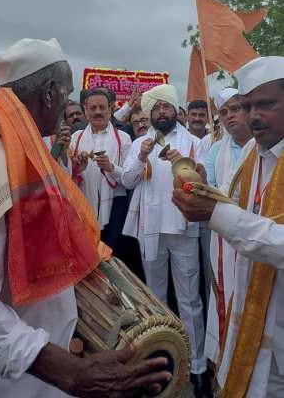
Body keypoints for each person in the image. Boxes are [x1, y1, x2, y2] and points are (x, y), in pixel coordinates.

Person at [0, 38, 171, 398]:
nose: (68, 106)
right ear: (49, 93)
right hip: (6, 380)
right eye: (66, 96)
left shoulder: (17, 141)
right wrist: (65, 370)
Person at [173, 56, 284, 397]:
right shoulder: (255, 154)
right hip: (253, 319)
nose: (252, 116)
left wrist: (215, 214)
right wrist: (205, 193)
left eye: (265, 104)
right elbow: (248, 214)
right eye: (247, 106)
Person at [122, 84, 211, 398]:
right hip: (151, 229)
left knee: (189, 303)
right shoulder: (138, 142)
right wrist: (141, 156)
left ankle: (198, 369)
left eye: (166, 107)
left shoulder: (195, 143)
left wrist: (182, 166)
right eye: (155, 108)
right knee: (155, 302)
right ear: (150, 113)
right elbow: (127, 180)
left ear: (176, 110)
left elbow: (204, 186)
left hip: (183, 229)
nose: (161, 112)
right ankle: (161, 366)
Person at [203, 88, 252, 366]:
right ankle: (225, 365)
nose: (230, 116)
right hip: (224, 238)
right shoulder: (215, 150)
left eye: (235, 109)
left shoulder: (264, 146)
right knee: (225, 295)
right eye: (224, 112)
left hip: (260, 236)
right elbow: (206, 188)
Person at [71, 88, 132, 254]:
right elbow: (67, 175)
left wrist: (111, 168)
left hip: (115, 207)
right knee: (86, 254)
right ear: (85, 110)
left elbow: (129, 179)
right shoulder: (76, 138)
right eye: (93, 108)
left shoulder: (123, 138)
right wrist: (77, 168)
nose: (98, 112)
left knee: (112, 256)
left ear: (110, 109)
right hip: (84, 205)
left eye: (102, 107)